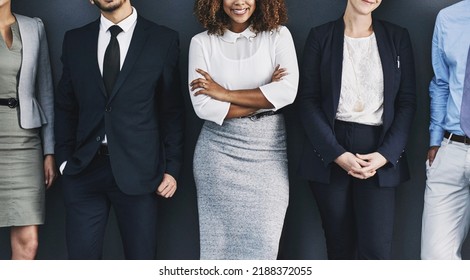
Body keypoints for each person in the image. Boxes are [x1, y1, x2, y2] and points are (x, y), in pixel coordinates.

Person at [55, 0, 184, 259]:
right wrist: (63, 161)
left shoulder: (163, 39)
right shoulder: (75, 40)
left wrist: (172, 168)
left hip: (140, 172)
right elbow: (65, 107)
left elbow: (171, 111)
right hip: (83, 171)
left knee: (141, 263)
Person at [296, 0, 416, 259]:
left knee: (376, 251)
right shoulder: (321, 36)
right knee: (340, 249)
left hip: (380, 151)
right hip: (330, 150)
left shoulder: (397, 37)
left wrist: (386, 154)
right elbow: (307, 100)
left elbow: (407, 102)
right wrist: (336, 153)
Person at [188, 0, 298, 259]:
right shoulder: (202, 42)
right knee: (218, 249)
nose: (239, 2)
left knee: (264, 246)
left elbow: (287, 93)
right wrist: (264, 97)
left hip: (267, 153)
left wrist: (224, 93)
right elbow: (203, 106)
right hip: (217, 154)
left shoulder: (278, 35)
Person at [0, 0, 56, 259]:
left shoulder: (33, 27)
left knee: (28, 242)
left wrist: (49, 150)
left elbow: (45, 91)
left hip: (25, 143)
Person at [421, 0, 470, 260]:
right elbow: (440, 83)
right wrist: (435, 141)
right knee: (435, 263)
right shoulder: (449, 18)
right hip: (450, 150)